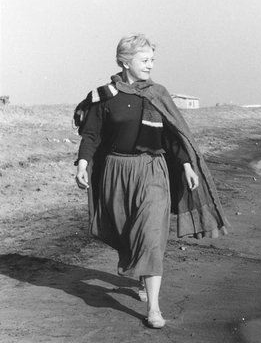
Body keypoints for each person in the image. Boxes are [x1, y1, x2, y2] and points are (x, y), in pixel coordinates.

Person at [75, 34, 229, 329]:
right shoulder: (104, 96)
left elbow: (173, 136)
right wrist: (82, 163)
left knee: (151, 233)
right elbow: (91, 135)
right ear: (124, 61)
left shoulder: (158, 94)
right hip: (116, 172)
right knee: (127, 232)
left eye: (152, 60)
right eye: (144, 60)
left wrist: (186, 165)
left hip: (153, 171)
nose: (150, 65)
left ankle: (154, 308)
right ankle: (143, 274)